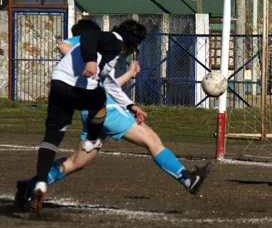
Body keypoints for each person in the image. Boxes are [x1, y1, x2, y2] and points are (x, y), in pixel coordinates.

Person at [15, 31, 212, 212]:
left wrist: (127, 76)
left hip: (96, 109)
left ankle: (30, 186)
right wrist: (83, 61)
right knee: (151, 140)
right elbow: (64, 46)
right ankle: (187, 179)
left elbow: (108, 83)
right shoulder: (94, 40)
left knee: (77, 162)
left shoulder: (107, 52)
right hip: (106, 108)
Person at [21, 18, 147, 212]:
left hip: (59, 84)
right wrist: (90, 62)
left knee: (52, 137)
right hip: (79, 88)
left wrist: (130, 105)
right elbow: (88, 36)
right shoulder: (115, 40)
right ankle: (92, 140)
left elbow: (109, 82)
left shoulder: (104, 49)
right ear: (132, 43)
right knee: (100, 102)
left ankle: (40, 184)